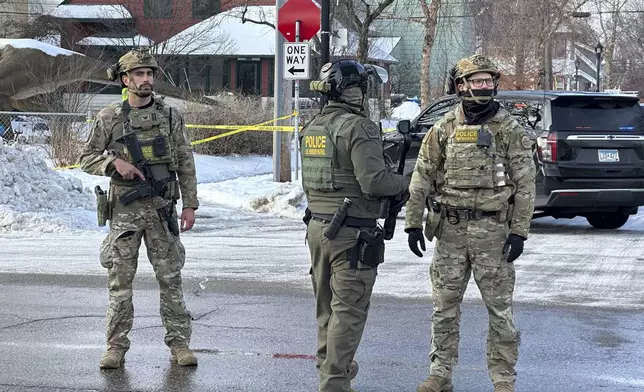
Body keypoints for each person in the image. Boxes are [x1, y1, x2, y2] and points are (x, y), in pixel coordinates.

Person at [404, 54, 536, 392]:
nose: (484, 86)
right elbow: (421, 175)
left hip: (493, 232)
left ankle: (503, 378)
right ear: (461, 85)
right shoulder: (445, 127)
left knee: (500, 310)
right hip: (449, 231)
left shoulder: (508, 129)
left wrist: (519, 231)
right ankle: (440, 374)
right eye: (477, 81)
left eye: (488, 80)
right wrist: (413, 222)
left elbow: (525, 184)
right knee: (443, 308)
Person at [78, 47, 199, 369]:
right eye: (139, 74)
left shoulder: (171, 115)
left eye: (150, 74)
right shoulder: (110, 117)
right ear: (125, 79)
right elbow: (85, 157)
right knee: (120, 282)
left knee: (171, 279)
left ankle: (179, 344)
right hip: (125, 213)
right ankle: (115, 347)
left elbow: (186, 161)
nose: (146, 80)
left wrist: (190, 205)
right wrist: (113, 162)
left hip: (162, 208)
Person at [301, 59, 409, 392]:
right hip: (352, 233)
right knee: (348, 312)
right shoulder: (358, 127)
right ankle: (334, 383)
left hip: (319, 228)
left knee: (327, 308)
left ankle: (331, 367)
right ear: (355, 90)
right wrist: (408, 182)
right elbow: (374, 182)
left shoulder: (314, 126)